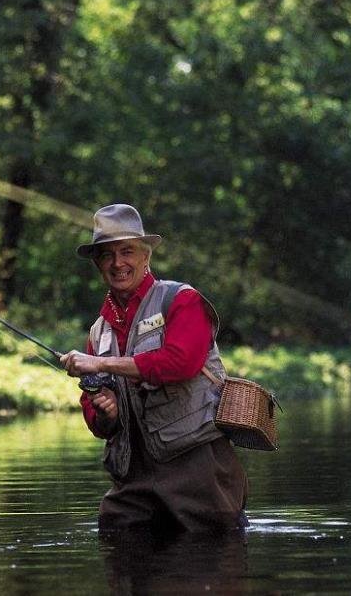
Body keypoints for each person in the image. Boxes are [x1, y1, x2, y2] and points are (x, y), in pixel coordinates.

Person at [60, 203, 248, 533]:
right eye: (106, 255)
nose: (118, 263)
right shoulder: (98, 331)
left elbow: (180, 364)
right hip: (134, 478)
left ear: (146, 255)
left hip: (198, 467)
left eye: (127, 251)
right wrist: (107, 414)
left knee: (214, 557)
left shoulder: (181, 300)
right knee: (113, 531)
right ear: (97, 264)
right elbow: (96, 420)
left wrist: (101, 363)